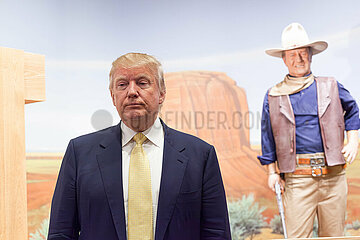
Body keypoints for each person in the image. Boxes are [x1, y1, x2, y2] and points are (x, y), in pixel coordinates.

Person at [48, 53, 231, 240]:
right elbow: (61, 232)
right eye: (122, 85)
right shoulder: (80, 153)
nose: (132, 92)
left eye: (142, 83)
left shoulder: (200, 156)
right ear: (113, 96)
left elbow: (216, 233)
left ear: (162, 94)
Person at [258, 23, 359, 238]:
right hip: (297, 180)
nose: (299, 59)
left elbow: (352, 111)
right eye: (292, 55)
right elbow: (267, 135)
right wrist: (272, 172)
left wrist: (353, 141)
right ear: (284, 59)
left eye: (303, 53)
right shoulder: (273, 95)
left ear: (311, 55)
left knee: (334, 237)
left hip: (333, 178)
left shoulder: (331, 85)